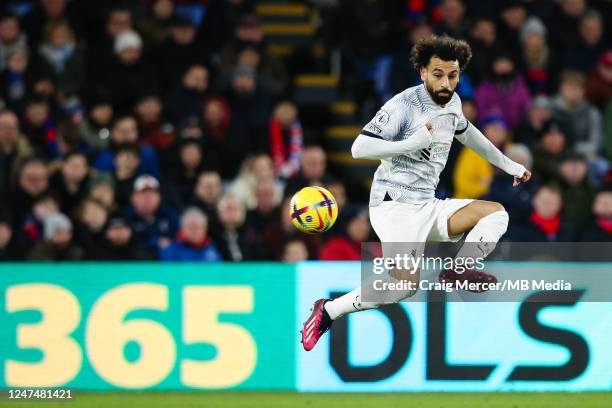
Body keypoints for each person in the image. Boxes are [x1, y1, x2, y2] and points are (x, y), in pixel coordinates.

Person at [300, 35, 531, 351]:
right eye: (438, 74)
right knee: (403, 286)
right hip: (394, 203)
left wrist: (509, 165)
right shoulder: (403, 105)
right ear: (423, 72)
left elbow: (468, 133)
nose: (446, 82)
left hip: (426, 202)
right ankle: (328, 310)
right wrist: (411, 143)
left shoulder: (453, 103)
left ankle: (460, 270)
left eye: (453, 75)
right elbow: (358, 148)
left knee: (495, 214)